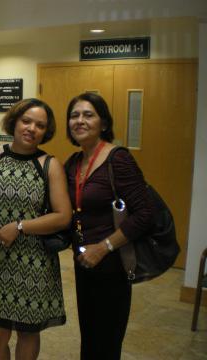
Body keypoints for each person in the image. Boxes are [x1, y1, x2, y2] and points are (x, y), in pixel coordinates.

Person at [0, 98, 71, 360]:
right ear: (14, 121)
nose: (31, 128)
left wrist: (20, 226)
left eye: (40, 125)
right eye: (26, 121)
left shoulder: (49, 165)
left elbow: (63, 216)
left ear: (46, 131)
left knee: (28, 332)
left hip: (33, 262)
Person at [64, 92, 154, 360]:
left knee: (106, 343)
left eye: (88, 115)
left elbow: (145, 214)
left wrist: (103, 248)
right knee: (89, 338)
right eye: (74, 115)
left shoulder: (118, 159)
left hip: (112, 264)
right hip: (84, 264)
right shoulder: (73, 162)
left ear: (103, 123)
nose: (80, 121)